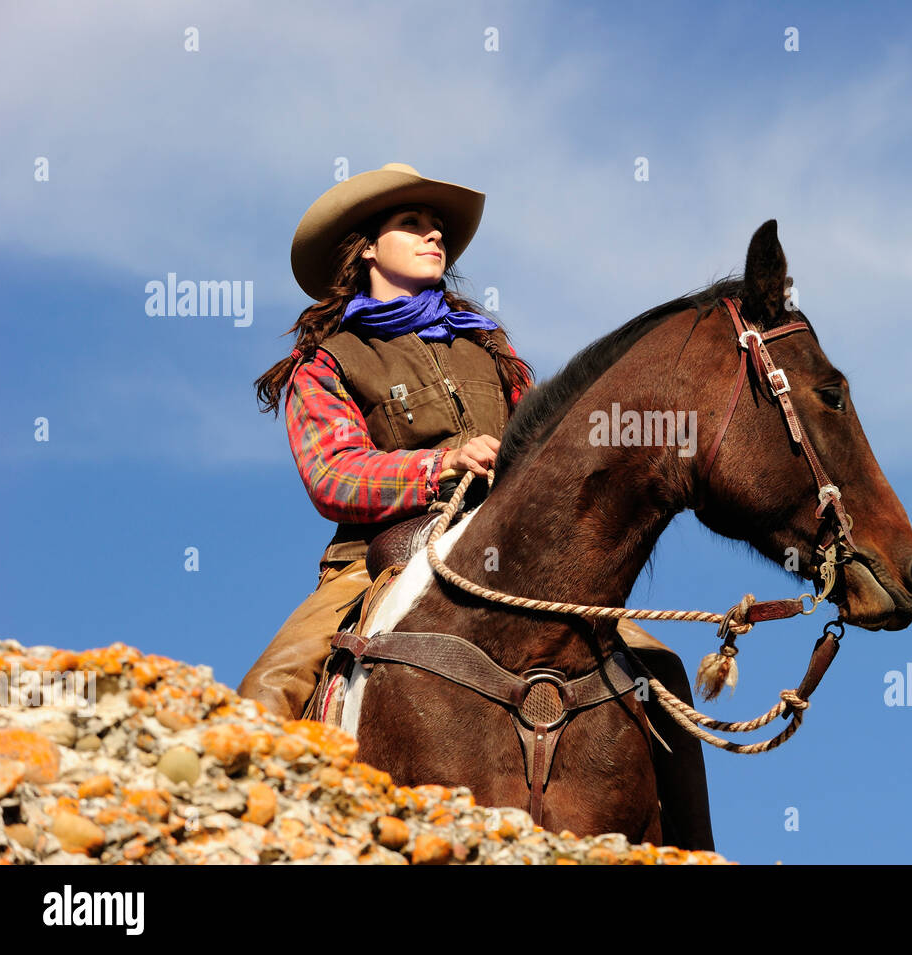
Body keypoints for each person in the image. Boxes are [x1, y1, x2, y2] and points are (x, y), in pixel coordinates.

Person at [236, 163, 714, 849]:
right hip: (378, 564)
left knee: (661, 672)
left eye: (438, 227)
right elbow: (334, 476)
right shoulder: (329, 363)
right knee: (266, 694)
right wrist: (441, 464)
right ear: (366, 247)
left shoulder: (492, 352)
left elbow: (552, 460)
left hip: (513, 559)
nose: (435, 235)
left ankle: (696, 855)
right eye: (412, 224)